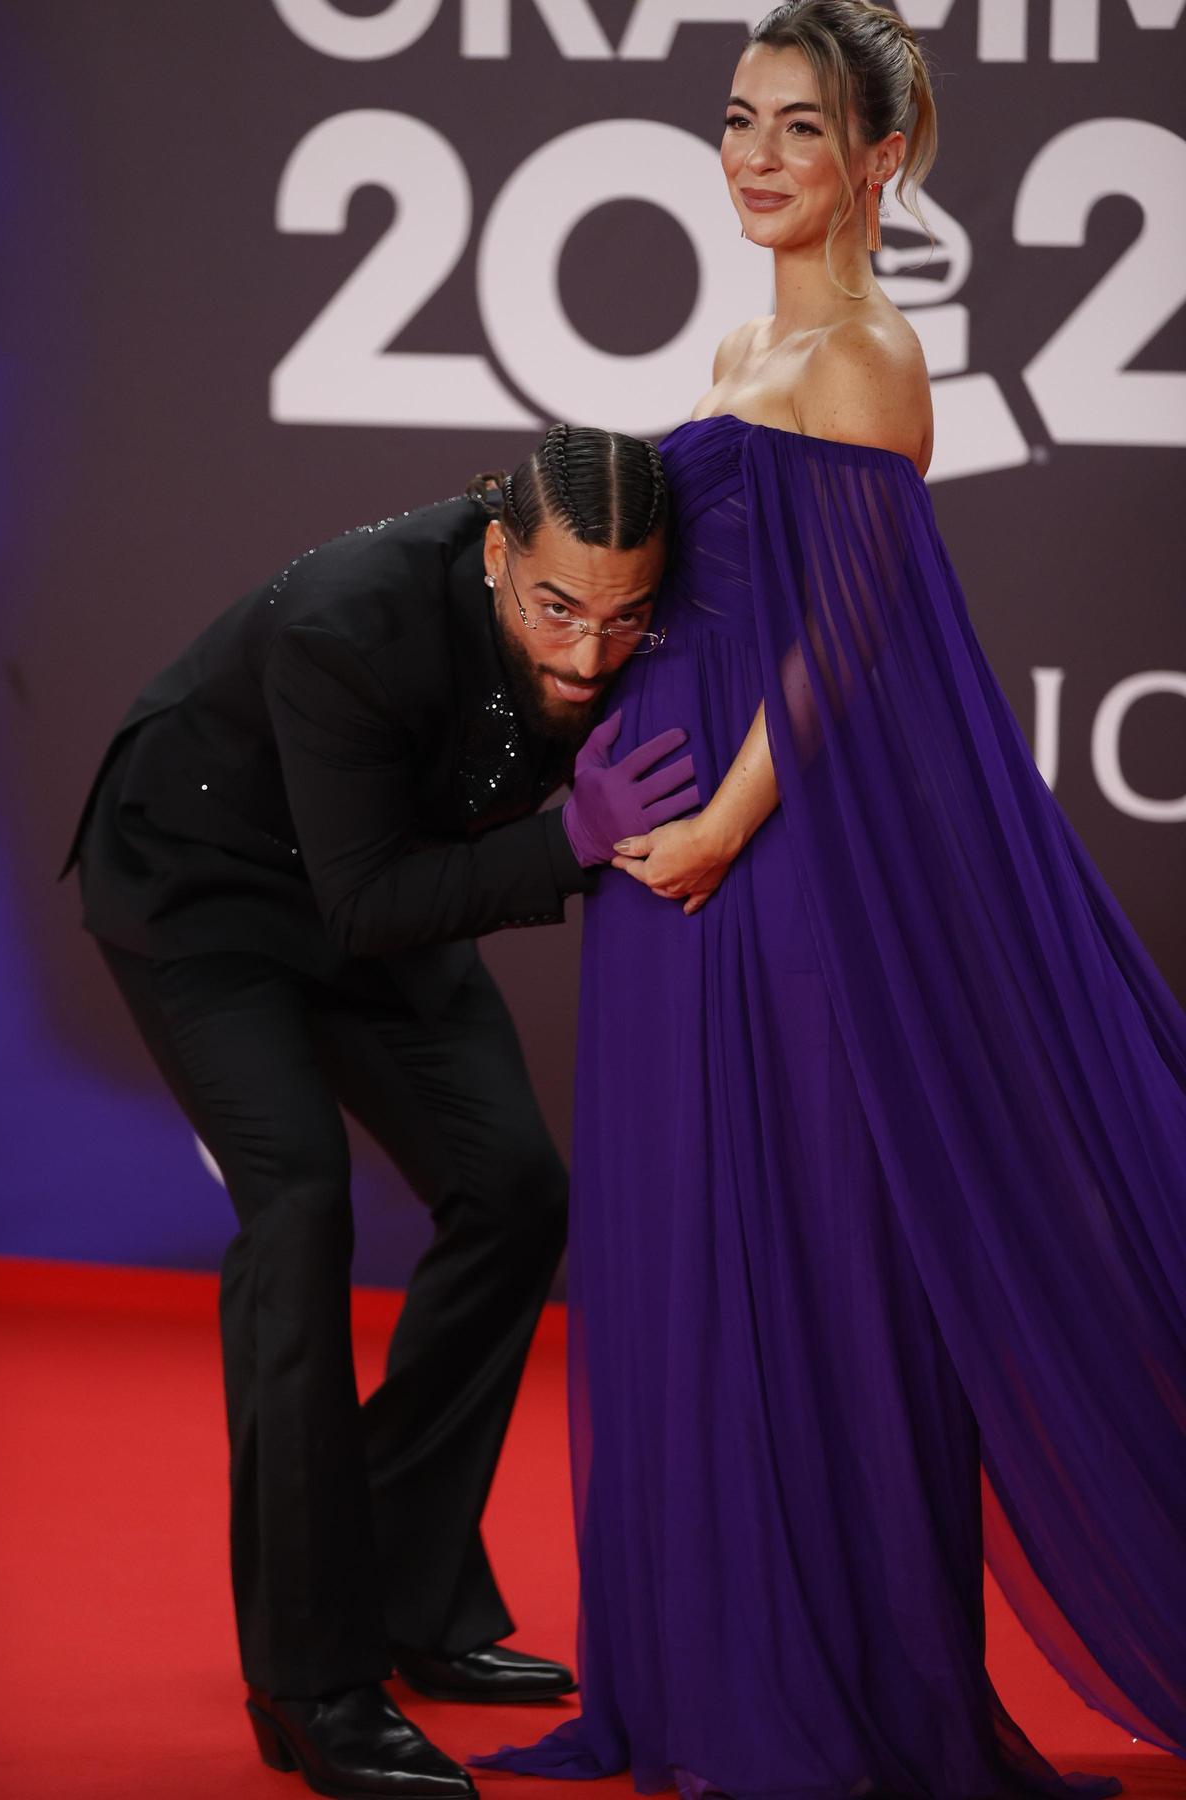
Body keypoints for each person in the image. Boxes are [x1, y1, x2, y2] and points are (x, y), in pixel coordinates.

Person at [474, 6, 1186, 1797]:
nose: (757, 157)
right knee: (672, 1254)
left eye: (801, 127)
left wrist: (719, 820)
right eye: (736, 121)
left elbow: (853, 636)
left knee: (793, 1249)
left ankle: (817, 1694)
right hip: (666, 856)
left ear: (882, 157)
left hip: (772, 871)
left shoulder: (867, 356)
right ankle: (702, 1678)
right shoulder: (737, 341)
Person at [62, 424, 701, 1799]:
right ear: (493, 552)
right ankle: (311, 1682)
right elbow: (361, 906)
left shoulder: (621, 599)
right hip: (210, 898)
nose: (591, 658)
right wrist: (567, 847)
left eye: (625, 617)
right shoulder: (353, 621)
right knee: (296, 1212)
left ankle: (406, 1594)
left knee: (518, 1193)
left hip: (385, 878)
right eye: (557, 610)